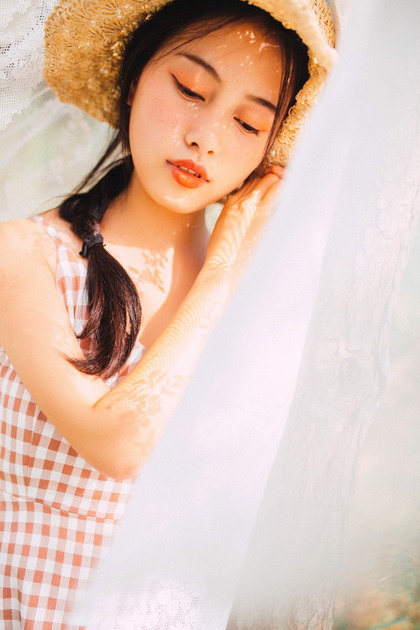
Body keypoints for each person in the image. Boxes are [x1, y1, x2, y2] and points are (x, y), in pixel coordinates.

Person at [0, 0, 335, 626]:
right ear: (133, 79)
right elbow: (117, 443)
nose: (205, 136)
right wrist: (223, 267)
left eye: (247, 123)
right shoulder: (25, 256)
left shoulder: (267, 311)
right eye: (189, 89)